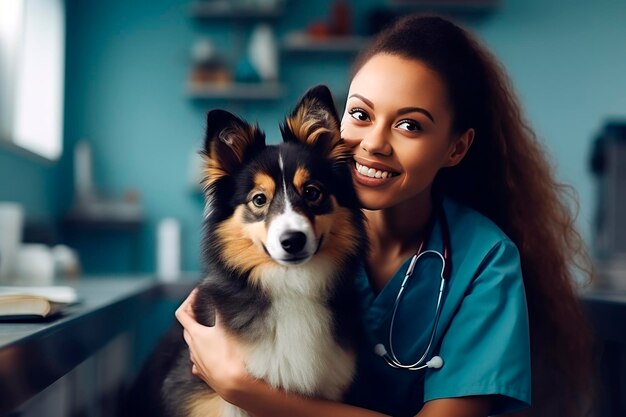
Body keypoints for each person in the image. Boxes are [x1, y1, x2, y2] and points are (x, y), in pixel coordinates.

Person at [176, 14, 596, 417]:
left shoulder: (486, 262)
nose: (374, 144)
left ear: (456, 148)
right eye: (360, 115)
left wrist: (243, 389)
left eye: (410, 125)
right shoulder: (301, 247)